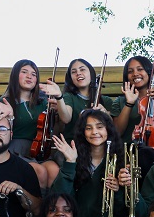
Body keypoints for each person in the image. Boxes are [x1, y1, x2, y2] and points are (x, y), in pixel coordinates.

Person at [46, 58, 115, 186]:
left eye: (82, 69)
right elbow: (66, 117)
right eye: (74, 72)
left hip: (97, 150)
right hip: (72, 147)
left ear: (91, 74)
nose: (78, 73)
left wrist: (105, 114)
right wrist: (59, 97)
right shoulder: (69, 97)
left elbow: (114, 128)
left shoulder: (105, 100)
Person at [1, 59, 64, 189]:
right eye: (24, 72)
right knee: (39, 172)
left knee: (54, 171)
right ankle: (34, 202)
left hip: (40, 150)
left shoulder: (44, 102)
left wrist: (57, 115)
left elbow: (54, 130)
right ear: (15, 75)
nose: (29, 76)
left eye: (33, 74)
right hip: (15, 150)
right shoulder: (5, 102)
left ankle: (51, 202)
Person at [110, 55, 154, 175]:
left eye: (140, 69)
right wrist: (129, 103)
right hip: (129, 150)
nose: (135, 74)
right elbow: (117, 131)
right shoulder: (120, 101)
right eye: (130, 71)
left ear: (149, 72)